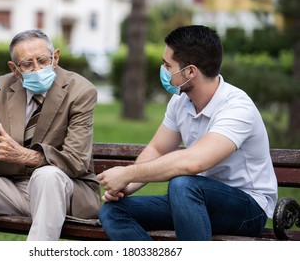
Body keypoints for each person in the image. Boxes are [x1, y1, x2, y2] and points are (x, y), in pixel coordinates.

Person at [97, 25, 278, 241]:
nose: (163, 71)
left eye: (167, 65)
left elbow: (194, 162)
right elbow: (157, 148)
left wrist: (127, 173)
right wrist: (128, 186)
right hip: (193, 199)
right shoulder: (181, 102)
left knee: (182, 183)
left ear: (191, 71)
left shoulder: (237, 108)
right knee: (114, 211)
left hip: (248, 209)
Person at [0, 29, 101, 241]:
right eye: (27, 64)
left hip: (62, 191)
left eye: (43, 60)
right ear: (15, 69)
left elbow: (77, 162)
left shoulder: (81, 91)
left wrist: (23, 155)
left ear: (56, 57)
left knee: (46, 176)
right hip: (11, 189)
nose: (37, 68)